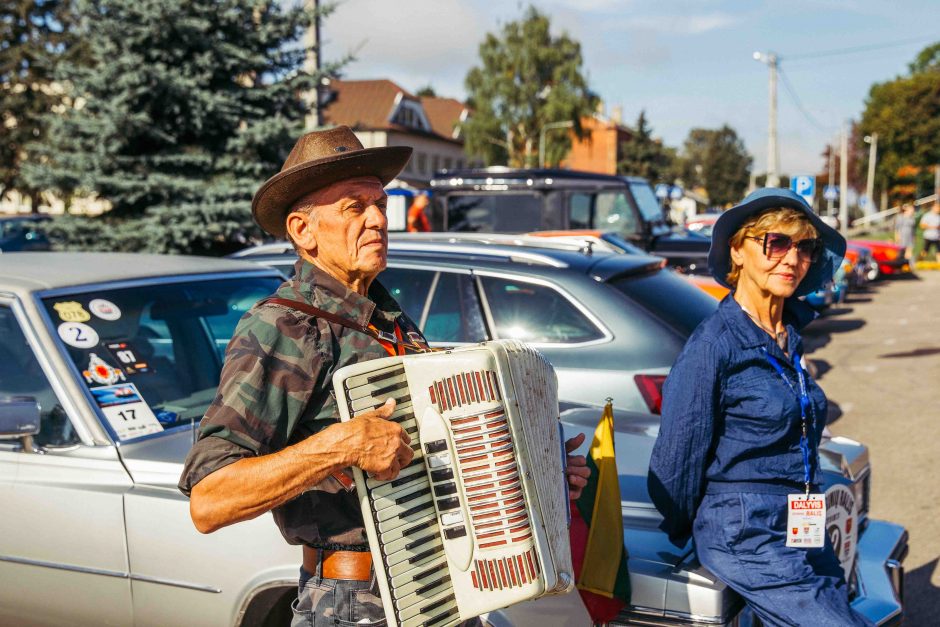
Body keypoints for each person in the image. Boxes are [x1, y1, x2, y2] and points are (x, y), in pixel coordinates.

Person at [178, 126, 590, 627]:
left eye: (380, 203)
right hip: (355, 603)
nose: (378, 219)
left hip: (439, 588)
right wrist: (338, 447)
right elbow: (210, 497)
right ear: (303, 231)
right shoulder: (282, 326)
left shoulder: (384, 315)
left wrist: (531, 474)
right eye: (355, 207)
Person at [647, 188, 873, 626]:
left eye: (804, 247)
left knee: (844, 606)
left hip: (801, 519)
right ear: (738, 250)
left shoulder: (787, 335)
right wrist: (694, 530)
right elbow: (675, 464)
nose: (792, 259)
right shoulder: (714, 346)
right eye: (776, 243)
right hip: (746, 531)